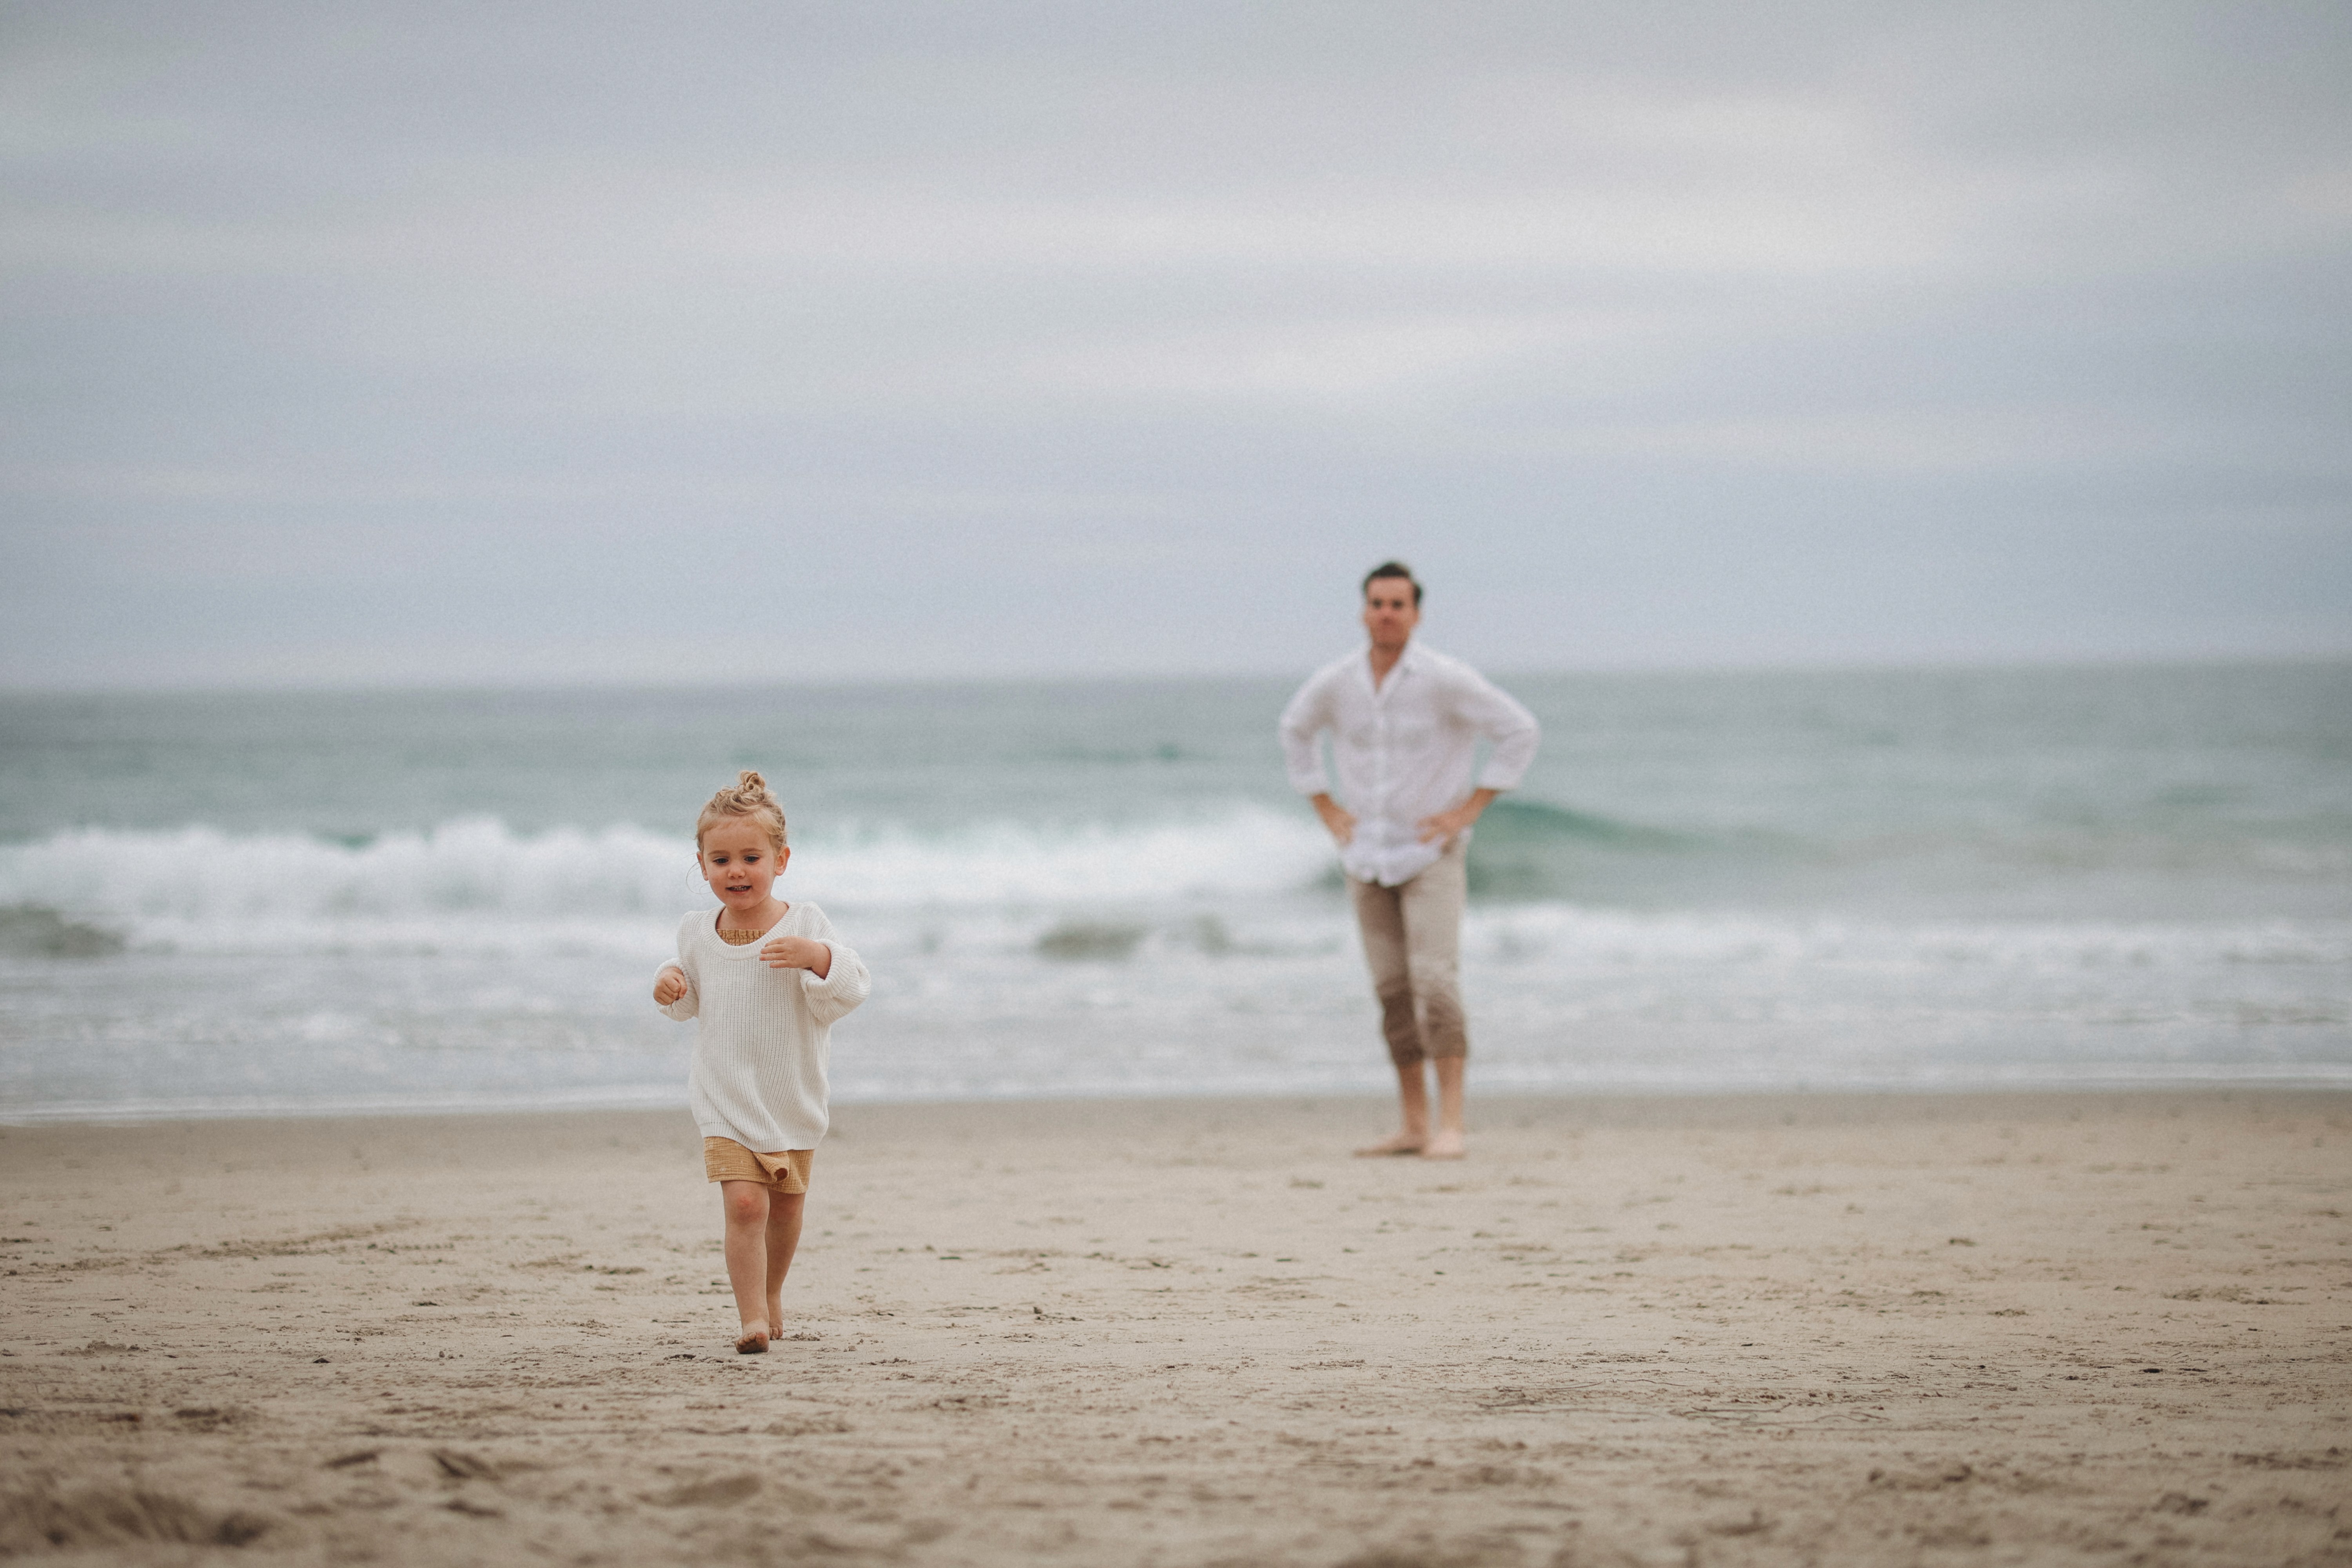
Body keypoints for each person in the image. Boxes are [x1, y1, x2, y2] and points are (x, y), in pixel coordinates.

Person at [1278, 562, 1539, 1160]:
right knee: (1392, 991)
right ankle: (1413, 1124)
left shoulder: (1445, 679)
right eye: (1377, 603)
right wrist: (1324, 806)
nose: (1387, 613)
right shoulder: (1338, 682)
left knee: (1436, 984)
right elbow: (1295, 730)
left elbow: (1519, 730)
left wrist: (1470, 808)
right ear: (1363, 610)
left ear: (1417, 614)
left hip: (1430, 853)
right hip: (1365, 854)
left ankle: (1452, 1124)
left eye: (1398, 604)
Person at [653, 770, 871, 1353]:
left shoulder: (806, 924)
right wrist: (669, 983)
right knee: (746, 1204)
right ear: (701, 865)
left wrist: (819, 957)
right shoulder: (697, 932)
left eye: (751, 857)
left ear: (781, 859)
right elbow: (692, 1001)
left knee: (785, 1210)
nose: (736, 871)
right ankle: (751, 1317)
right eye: (720, 860)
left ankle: (774, 1291)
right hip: (724, 1096)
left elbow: (846, 993)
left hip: (790, 1097)